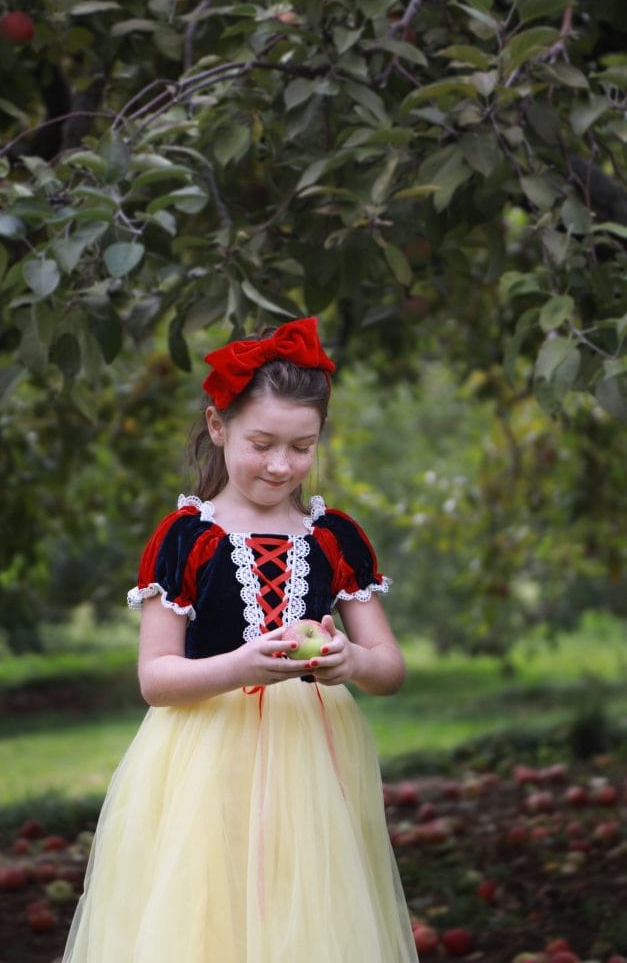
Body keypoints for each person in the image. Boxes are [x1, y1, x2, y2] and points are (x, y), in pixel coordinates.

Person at [61, 316, 418, 963]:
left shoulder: (334, 536)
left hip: (314, 756)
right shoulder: (185, 539)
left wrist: (350, 660)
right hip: (205, 756)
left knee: (304, 911)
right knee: (212, 912)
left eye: (301, 446)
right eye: (262, 443)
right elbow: (156, 679)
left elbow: (389, 668)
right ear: (218, 428)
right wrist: (243, 664)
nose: (282, 465)